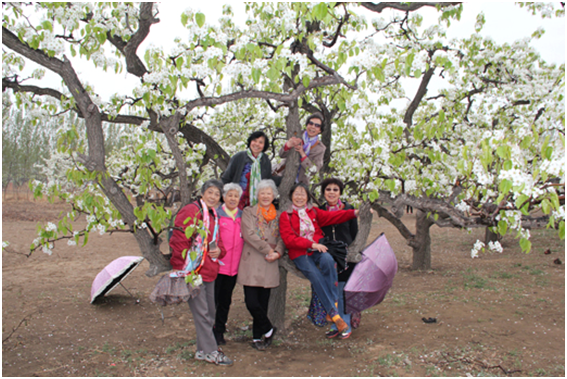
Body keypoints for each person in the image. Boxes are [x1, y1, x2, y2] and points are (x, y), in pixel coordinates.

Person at [279, 182, 359, 335]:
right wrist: (312, 244)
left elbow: (333, 216)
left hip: (318, 249)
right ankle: (335, 315)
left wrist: (353, 213)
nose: (300, 197)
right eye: (297, 194)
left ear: (308, 197)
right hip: (300, 252)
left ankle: (332, 305)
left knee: (329, 261)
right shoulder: (285, 215)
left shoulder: (313, 211)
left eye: (303, 194)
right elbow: (289, 240)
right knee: (315, 277)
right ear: (291, 197)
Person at [169, 179, 233, 366]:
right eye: (210, 192)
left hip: (209, 270)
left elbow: (218, 241)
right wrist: (181, 267)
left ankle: (202, 350)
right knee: (202, 313)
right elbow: (179, 239)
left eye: (216, 194)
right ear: (203, 193)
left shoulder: (214, 214)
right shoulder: (192, 211)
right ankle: (212, 352)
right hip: (193, 271)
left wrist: (220, 251)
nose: (213, 197)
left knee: (210, 312)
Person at [238, 179, 284, 351]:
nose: (265, 196)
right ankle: (270, 329)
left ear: (274, 195)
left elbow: (282, 237)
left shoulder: (279, 215)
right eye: (262, 192)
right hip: (253, 258)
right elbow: (248, 233)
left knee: (263, 303)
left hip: (270, 261)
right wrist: (267, 250)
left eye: (269, 193)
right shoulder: (249, 212)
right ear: (257, 195)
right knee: (251, 301)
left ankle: (258, 337)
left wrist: (278, 252)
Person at [318, 178, 359, 339]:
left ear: (340, 192)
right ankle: (336, 324)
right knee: (331, 291)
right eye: (328, 189)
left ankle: (345, 323)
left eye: (335, 189)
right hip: (328, 256)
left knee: (343, 291)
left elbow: (355, 233)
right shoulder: (319, 210)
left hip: (346, 256)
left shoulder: (349, 209)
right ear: (323, 192)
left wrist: (354, 253)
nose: (332, 192)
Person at [213, 183, 244, 346]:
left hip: (234, 268)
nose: (233, 198)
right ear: (224, 197)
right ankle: (210, 331)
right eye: (230, 195)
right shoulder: (216, 215)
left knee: (225, 301)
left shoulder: (242, 216)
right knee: (214, 300)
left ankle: (219, 331)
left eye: (236, 196)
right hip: (218, 266)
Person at [221, 130, 281, 209]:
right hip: (237, 199)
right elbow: (226, 178)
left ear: (264, 145)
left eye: (260, 142)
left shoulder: (265, 160)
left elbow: (267, 180)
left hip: (256, 202)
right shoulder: (239, 157)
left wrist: (284, 179)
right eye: (254, 140)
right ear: (250, 142)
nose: (257, 144)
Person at [278, 112, 326, 185]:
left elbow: (314, 170)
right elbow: (281, 154)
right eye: (311, 123)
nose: (313, 126)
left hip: (301, 183)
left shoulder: (320, 148)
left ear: (320, 130)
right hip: (283, 175)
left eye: (317, 125)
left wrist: (302, 153)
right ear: (307, 125)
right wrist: (288, 145)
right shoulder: (297, 134)